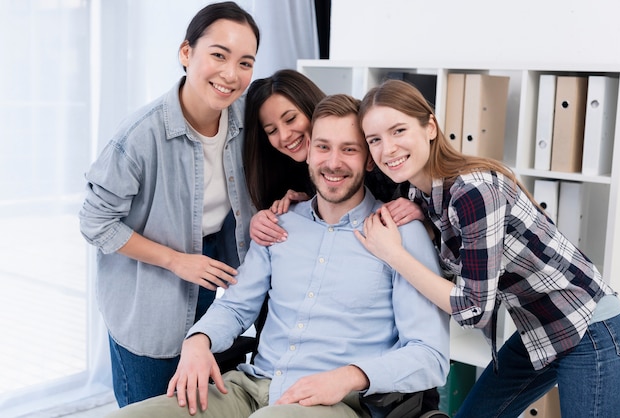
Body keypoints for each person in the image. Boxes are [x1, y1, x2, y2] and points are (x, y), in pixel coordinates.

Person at [106, 94, 450, 418]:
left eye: (349, 149)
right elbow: (236, 305)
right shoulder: (278, 224)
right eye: (323, 147)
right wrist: (199, 339)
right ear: (309, 152)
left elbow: (430, 356)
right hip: (250, 388)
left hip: (336, 402)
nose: (333, 162)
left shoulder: (400, 232)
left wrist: (349, 377)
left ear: (370, 160)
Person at [355, 79, 620, 418]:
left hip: (587, 327)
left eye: (398, 130)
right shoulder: (419, 193)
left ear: (430, 127)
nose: (387, 149)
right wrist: (424, 217)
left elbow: (473, 310)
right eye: (374, 140)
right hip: (536, 328)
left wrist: (394, 254)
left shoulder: (474, 191)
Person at [78, 2, 260, 407]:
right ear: (185, 53)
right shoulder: (140, 136)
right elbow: (94, 223)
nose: (231, 74)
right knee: (152, 405)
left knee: (199, 404)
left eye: (245, 62)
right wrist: (178, 261)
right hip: (148, 286)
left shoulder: (248, 117)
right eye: (218, 54)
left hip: (214, 269)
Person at [243, 69, 423, 246]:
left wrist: (420, 211)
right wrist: (262, 221)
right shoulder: (284, 176)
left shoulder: (378, 153)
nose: (284, 136)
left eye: (290, 119)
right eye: (272, 131)